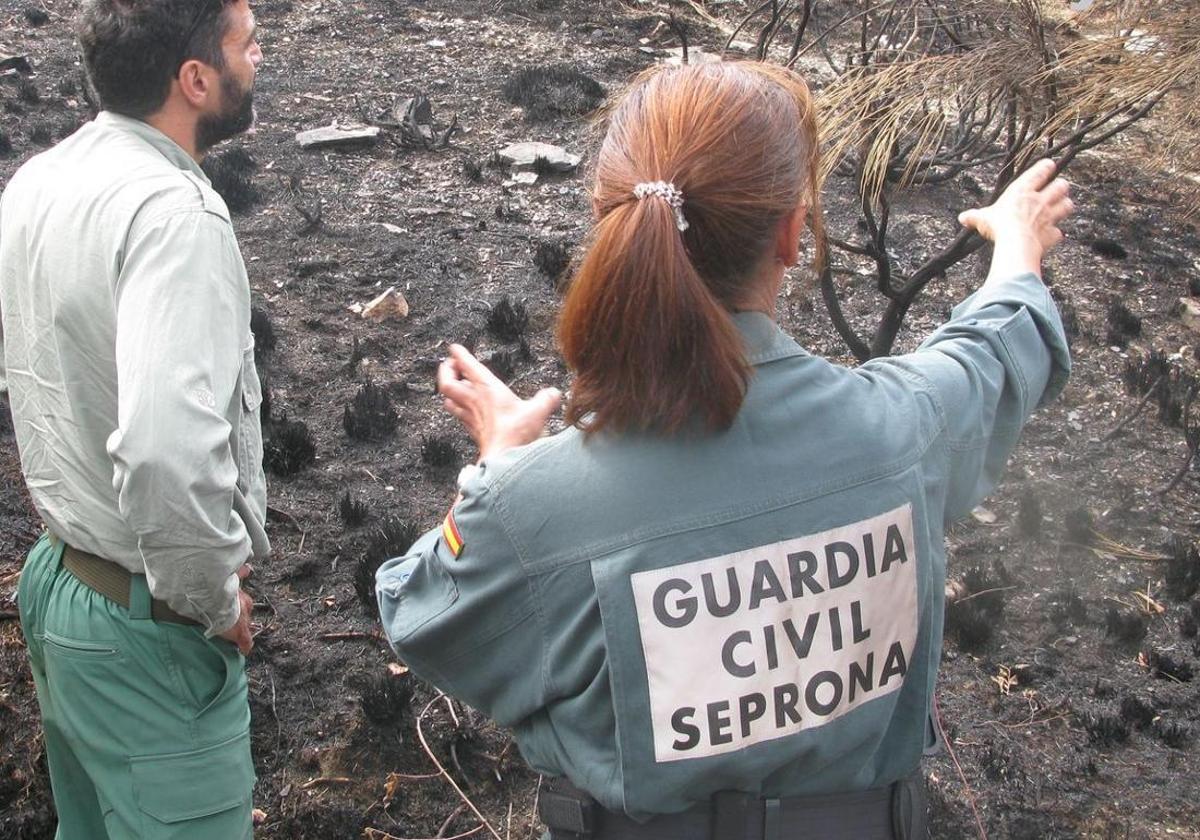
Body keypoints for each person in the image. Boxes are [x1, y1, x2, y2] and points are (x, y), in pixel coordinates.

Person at [377, 61, 1071, 840]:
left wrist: (499, 464)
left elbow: (421, 613)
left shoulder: (534, 508)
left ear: (608, 219)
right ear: (791, 232)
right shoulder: (905, 430)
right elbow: (994, 352)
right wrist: (1018, 242)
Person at [0, 1, 266, 837]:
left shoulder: (41, 177)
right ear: (195, 80)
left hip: (60, 584)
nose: (259, 58)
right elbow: (162, 456)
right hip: (146, 632)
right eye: (246, 44)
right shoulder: (174, 217)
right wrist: (211, 601)